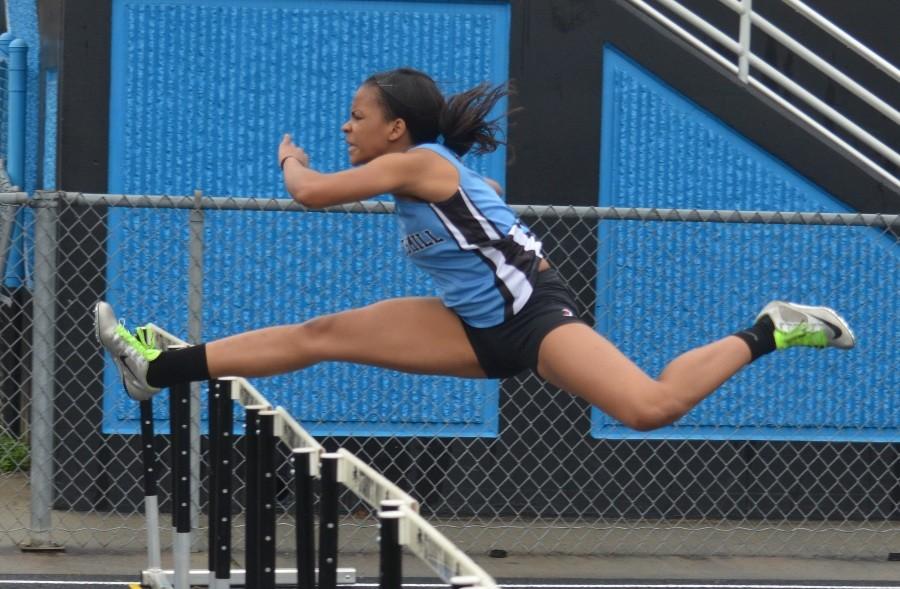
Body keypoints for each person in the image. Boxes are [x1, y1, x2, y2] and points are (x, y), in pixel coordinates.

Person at [95, 67, 855, 432]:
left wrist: (290, 158)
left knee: (648, 405)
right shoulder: (419, 172)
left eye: (356, 117)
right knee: (321, 334)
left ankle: (771, 326)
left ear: (396, 129)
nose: (346, 128)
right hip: (469, 323)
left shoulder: (418, 164)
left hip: (534, 319)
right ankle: (157, 369)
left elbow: (310, 193)